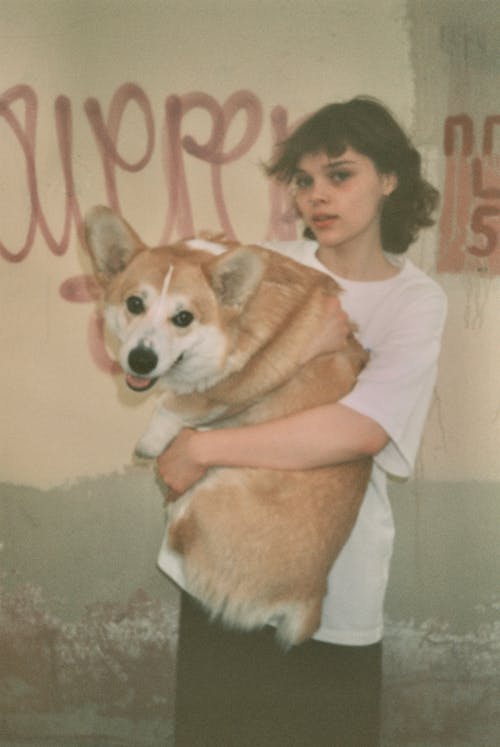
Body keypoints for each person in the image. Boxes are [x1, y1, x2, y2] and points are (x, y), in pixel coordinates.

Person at [155, 96, 447, 746]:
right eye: (305, 179)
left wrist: (206, 447)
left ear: (390, 178)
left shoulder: (414, 301)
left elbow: (360, 430)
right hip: (222, 569)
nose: (318, 195)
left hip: (330, 589)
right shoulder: (265, 266)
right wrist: (305, 349)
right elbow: (191, 376)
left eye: (340, 174)